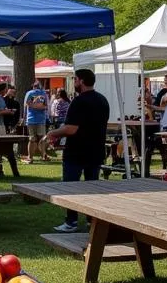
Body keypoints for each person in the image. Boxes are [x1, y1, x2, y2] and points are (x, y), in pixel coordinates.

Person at [46, 68, 110, 233]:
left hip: (77, 151)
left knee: (71, 188)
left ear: (81, 81)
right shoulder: (103, 100)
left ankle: (71, 221)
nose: (74, 83)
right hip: (96, 150)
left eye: (75, 80)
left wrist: (52, 133)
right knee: (92, 188)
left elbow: (71, 129)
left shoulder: (79, 101)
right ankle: (92, 220)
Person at [24, 79, 51, 164]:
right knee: (42, 138)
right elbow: (46, 106)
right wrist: (40, 106)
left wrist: (33, 106)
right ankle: (43, 155)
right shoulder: (44, 94)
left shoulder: (29, 93)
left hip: (31, 119)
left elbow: (27, 105)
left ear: (33, 86)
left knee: (32, 139)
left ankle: (30, 157)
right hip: (41, 119)